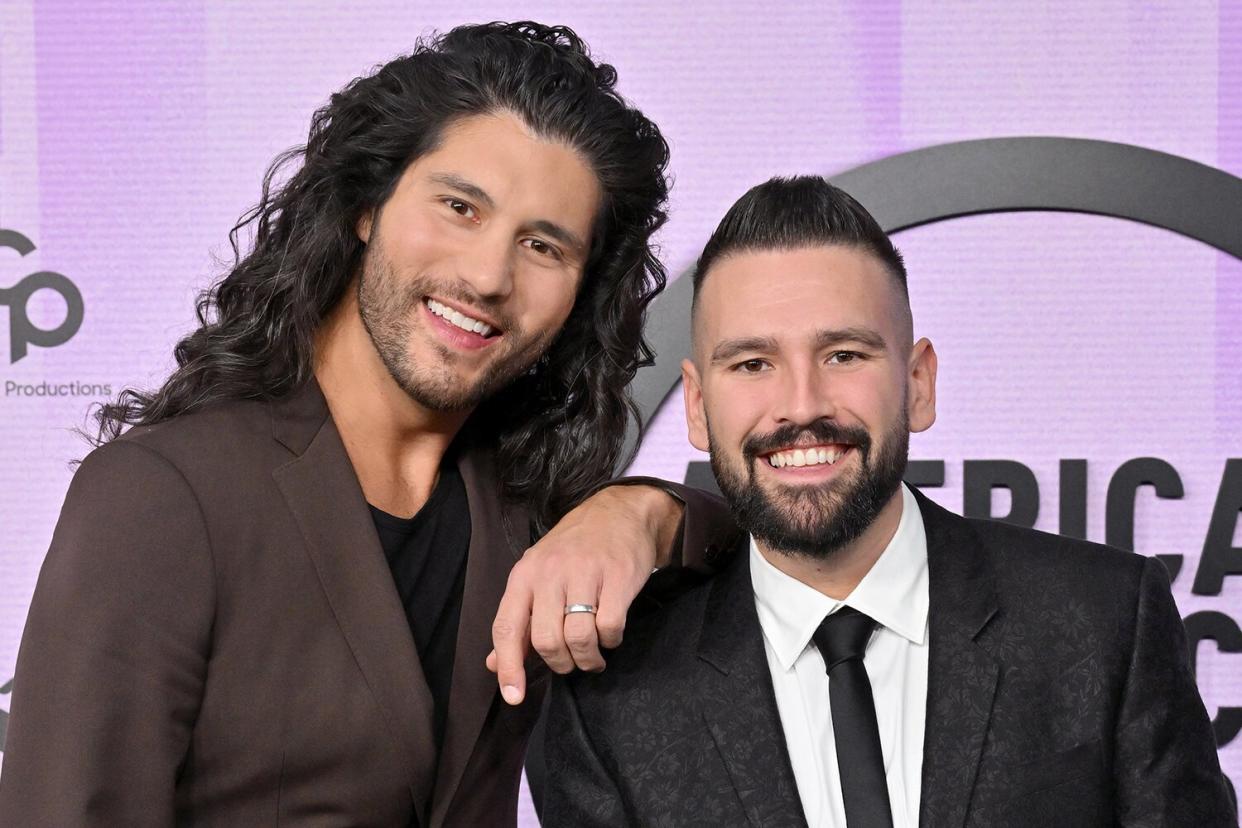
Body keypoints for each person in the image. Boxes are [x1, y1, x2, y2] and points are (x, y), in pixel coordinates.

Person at [0, 22, 731, 826]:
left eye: (543, 246)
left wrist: (640, 514)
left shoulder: (531, 509)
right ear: (365, 203)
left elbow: (781, 547)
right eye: (460, 207)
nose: (489, 276)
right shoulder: (164, 496)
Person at [542, 176, 1236, 827]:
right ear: (697, 406)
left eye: (844, 354)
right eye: (753, 364)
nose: (801, 406)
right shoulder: (614, 701)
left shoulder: (1105, 623)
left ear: (918, 383)